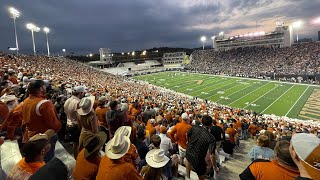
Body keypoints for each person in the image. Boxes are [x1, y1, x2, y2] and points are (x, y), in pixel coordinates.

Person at [22, 80, 61, 162]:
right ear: (40, 88)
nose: (45, 87)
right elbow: (55, 125)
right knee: (46, 161)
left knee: (37, 160)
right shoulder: (45, 104)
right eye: (44, 86)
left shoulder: (26, 100)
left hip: (31, 135)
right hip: (44, 138)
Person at [185, 115, 218, 180]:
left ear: (202, 121)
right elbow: (212, 155)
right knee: (201, 177)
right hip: (199, 158)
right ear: (211, 124)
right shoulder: (211, 138)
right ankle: (188, 177)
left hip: (189, 151)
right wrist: (215, 167)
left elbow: (187, 134)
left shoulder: (194, 127)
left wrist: (189, 142)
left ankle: (188, 177)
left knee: (188, 160)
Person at [64, 85, 85, 158]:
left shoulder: (68, 100)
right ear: (81, 93)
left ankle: (76, 157)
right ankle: (78, 159)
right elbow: (79, 117)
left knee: (75, 144)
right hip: (76, 126)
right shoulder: (78, 102)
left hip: (68, 123)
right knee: (78, 144)